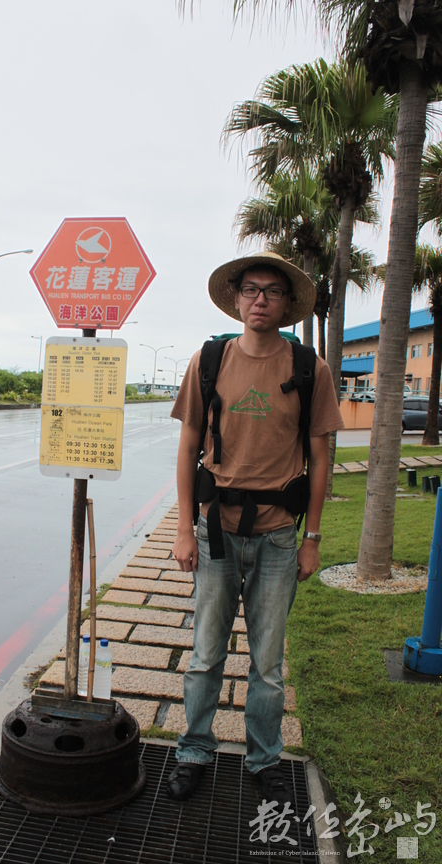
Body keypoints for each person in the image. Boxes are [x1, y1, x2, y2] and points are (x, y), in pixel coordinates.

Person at [167, 252, 344, 804]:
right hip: (217, 530)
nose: (260, 299)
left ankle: (264, 758)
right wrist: (182, 527)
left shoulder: (309, 368)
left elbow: (320, 458)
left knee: (268, 663)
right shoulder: (210, 359)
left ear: (288, 304)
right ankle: (195, 748)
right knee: (205, 654)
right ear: (238, 298)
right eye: (251, 289)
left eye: (272, 291)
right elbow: (189, 442)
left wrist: (311, 538)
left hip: (277, 538)